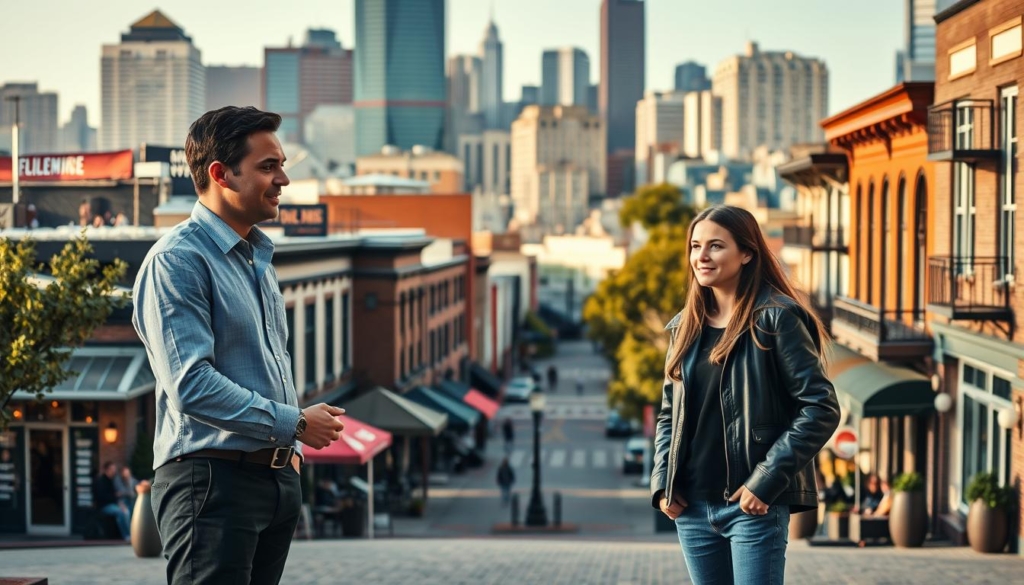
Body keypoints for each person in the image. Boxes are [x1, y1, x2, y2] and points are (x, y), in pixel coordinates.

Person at [133, 106, 346, 585]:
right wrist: (293, 423)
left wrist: (288, 458)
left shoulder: (258, 260)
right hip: (210, 485)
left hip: (272, 480)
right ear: (219, 173)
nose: (284, 179)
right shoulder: (177, 261)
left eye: (282, 165)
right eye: (268, 167)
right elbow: (192, 384)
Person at [650, 205, 841, 585]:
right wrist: (663, 485)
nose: (701, 257)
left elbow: (820, 407)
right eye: (695, 246)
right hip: (691, 508)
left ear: (747, 253)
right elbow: (670, 415)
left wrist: (765, 480)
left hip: (750, 507)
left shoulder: (777, 318)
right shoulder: (684, 327)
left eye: (716, 246)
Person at [93, 462, 130, 541]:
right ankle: (126, 535)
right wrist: (116, 500)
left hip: (112, 504)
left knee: (127, 510)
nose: (114, 471)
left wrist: (119, 503)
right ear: (107, 470)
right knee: (121, 512)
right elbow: (103, 497)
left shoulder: (111, 480)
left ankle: (131, 533)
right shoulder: (101, 481)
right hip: (104, 506)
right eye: (112, 469)